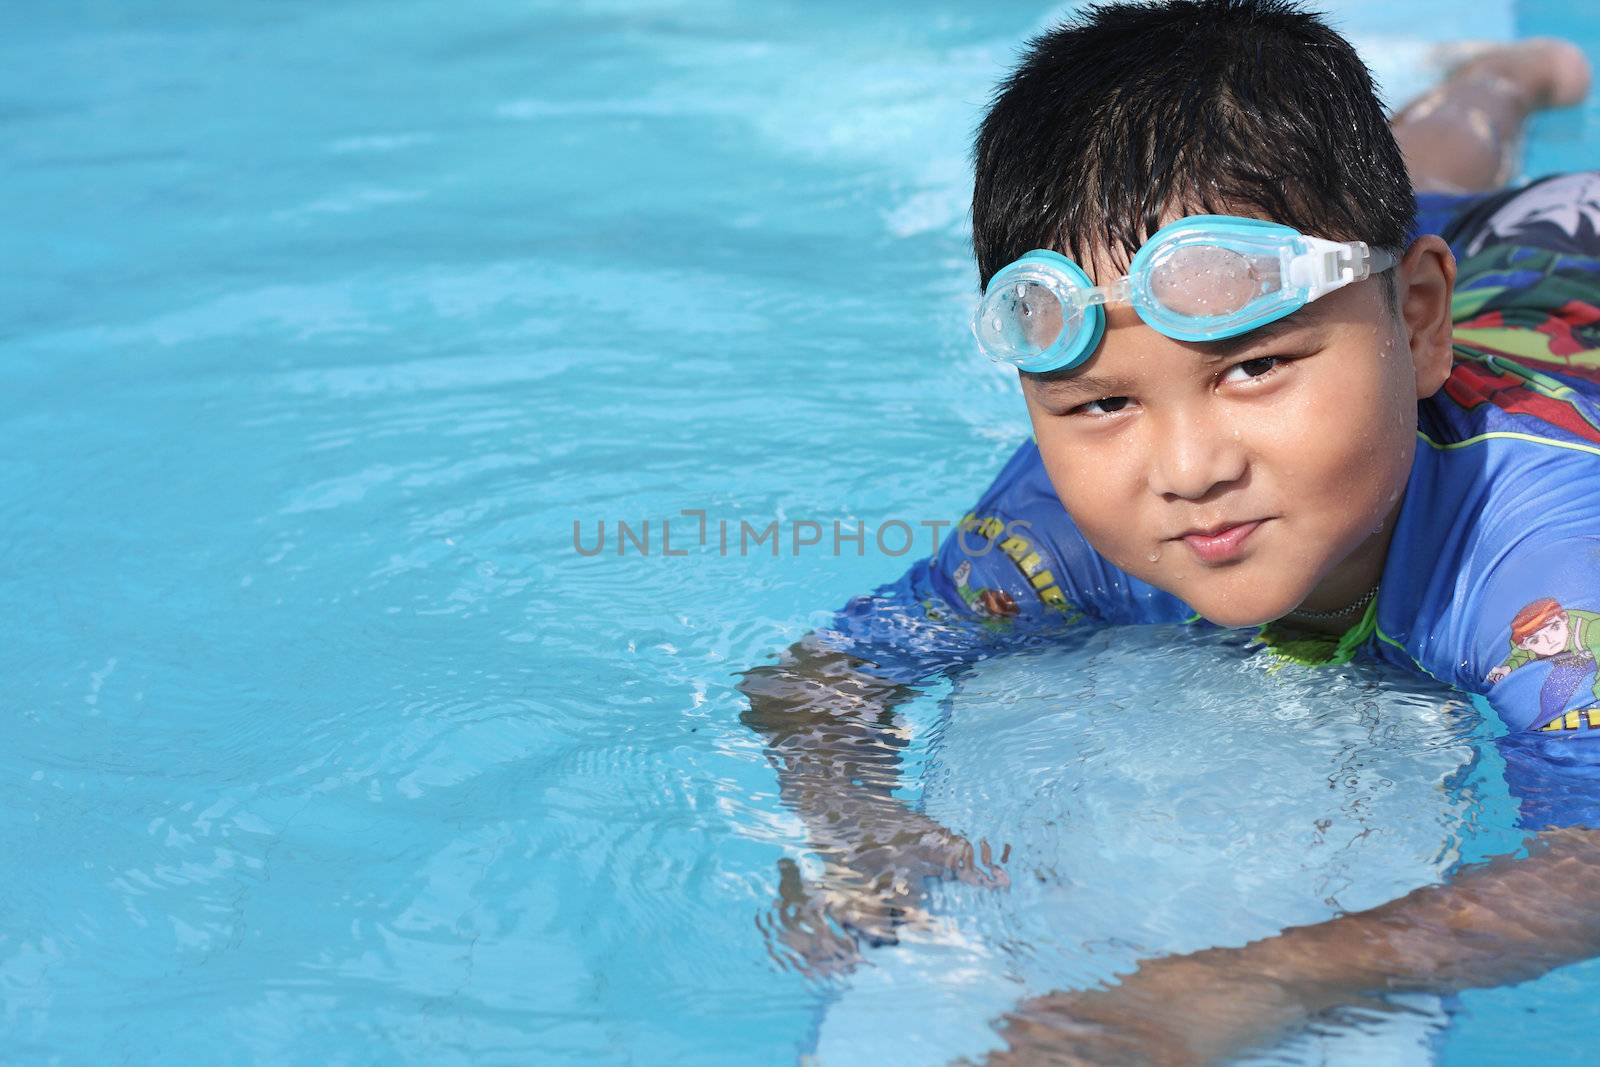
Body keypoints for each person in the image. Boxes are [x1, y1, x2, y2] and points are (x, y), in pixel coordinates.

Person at [739, 1, 1600, 1062]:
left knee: (1466, 185)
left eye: (1252, 366)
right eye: (1102, 402)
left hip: (1573, 275)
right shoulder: (1061, 528)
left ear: (1419, 326)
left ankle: (1502, 80)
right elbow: (824, 674)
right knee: (1405, 188)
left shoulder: (1541, 563)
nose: (1187, 469)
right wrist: (843, 813)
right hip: (1404, 278)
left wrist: (1274, 972)